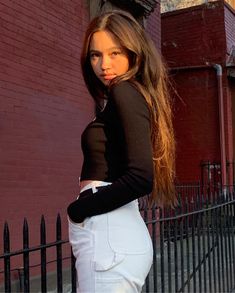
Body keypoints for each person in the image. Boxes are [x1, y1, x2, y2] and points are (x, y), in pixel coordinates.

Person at [67, 10, 176, 293]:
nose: (104, 64)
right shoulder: (127, 94)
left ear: (133, 52)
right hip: (115, 235)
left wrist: (78, 209)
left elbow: (141, 177)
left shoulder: (124, 91)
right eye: (95, 55)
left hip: (108, 237)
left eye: (114, 52)